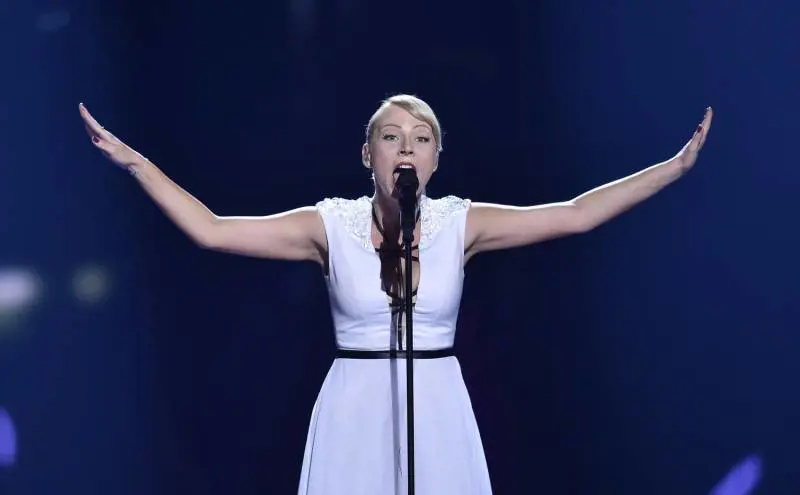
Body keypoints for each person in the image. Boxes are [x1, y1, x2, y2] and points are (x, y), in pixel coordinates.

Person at [79, 95, 713, 494]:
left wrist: (674, 168)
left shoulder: (462, 223)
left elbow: (575, 214)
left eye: (421, 137)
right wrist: (136, 163)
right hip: (354, 406)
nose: (406, 146)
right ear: (368, 154)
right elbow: (212, 230)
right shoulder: (328, 225)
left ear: (435, 159)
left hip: (436, 404)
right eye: (391, 135)